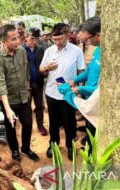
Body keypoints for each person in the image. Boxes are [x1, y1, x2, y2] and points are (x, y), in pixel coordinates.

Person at [39, 23, 85, 161]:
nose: (57, 42)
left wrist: (78, 89)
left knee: (69, 122)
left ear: (67, 35)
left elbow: (81, 71)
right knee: (53, 122)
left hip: (68, 94)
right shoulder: (49, 51)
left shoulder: (76, 51)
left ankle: (70, 146)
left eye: (60, 39)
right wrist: (47, 67)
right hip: (52, 93)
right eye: (55, 39)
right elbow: (41, 69)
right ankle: (53, 144)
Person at [0, 24, 39, 162]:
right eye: (13, 39)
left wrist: (28, 87)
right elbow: (0, 85)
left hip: (24, 97)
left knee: (28, 123)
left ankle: (25, 148)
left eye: (17, 38)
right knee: (11, 126)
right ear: (4, 41)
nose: (17, 41)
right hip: (9, 100)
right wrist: (7, 109)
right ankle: (14, 149)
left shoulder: (21, 52)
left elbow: (26, 71)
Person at [64, 17, 101, 146]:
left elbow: (101, 89)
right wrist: (75, 80)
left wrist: (79, 89)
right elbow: (89, 71)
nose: (88, 41)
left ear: (98, 36)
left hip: (97, 102)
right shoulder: (97, 51)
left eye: (89, 38)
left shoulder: (109, 56)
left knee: (96, 135)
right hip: (88, 96)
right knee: (89, 127)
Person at [24, 28, 47, 136]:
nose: (33, 41)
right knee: (27, 107)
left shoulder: (41, 49)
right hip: (27, 84)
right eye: (32, 39)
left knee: (39, 106)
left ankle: (40, 125)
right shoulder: (21, 50)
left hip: (38, 82)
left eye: (36, 39)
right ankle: (27, 127)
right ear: (26, 37)